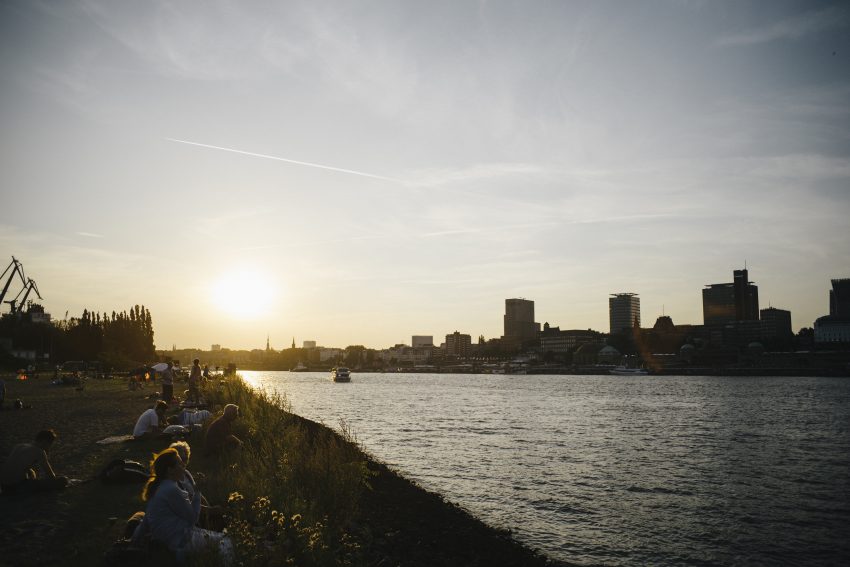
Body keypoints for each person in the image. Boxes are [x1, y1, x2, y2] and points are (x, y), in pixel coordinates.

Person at [137, 448, 232, 563]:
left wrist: (134, 540)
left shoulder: (159, 487)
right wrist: (197, 491)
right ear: (170, 470)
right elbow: (193, 518)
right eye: (179, 463)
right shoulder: (171, 489)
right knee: (226, 541)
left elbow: (147, 519)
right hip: (180, 541)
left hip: (171, 537)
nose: (183, 465)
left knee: (220, 537)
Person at [0, 429, 68, 493]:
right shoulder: (39, 451)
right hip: (17, 487)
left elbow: (17, 464)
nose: (49, 447)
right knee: (63, 480)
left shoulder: (19, 446)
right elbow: (50, 474)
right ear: (44, 442)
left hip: (4, 485)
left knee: (31, 474)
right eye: (50, 444)